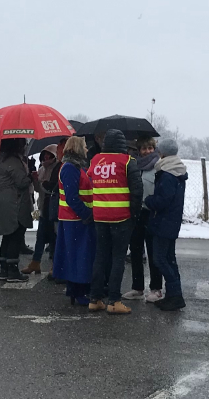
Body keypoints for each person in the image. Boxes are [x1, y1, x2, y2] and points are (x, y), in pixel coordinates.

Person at [88, 129, 143, 314]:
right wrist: (134, 214)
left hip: (100, 216)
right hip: (121, 217)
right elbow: (137, 191)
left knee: (100, 256)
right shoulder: (128, 161)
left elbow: (90, 181)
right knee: (118, 257)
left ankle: (95, 298)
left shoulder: (95, 161)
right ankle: (114, 300)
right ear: (122, 144)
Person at [146, 138, 188, 311]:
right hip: (171, 221)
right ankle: (173, 294)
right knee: (169, 259)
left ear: (162, 152)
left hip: (163, 222)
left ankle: (176, 294)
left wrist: (149, 200)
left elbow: (163, 200)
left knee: (160, 259)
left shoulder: (167, 173)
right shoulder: (177, 170)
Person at [54, 137, 95, 305]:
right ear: (78, 148)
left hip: (76, 218)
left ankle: (76, 290)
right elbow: (72, 197)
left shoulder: (75, 167)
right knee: (79, 256)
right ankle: (78, 291)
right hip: (75, 219)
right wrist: (86, 214)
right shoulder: (70, 168)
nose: (87, 149)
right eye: (85, 147)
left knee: (76, 255)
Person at [123, 138, 164, 302]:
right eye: (144, 148)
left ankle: (156, 288)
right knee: (135, 250)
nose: (147, 151)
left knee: (154, 252)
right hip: (136, 212)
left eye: (150, 148)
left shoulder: (158, 167)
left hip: (152, 212)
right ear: (138, 150)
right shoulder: (133, 166)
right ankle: (137, 287)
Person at [0, 139, 34, 282]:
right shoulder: (13, 161)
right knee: (15, 234)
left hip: (0, 201)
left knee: (7, 235)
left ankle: (4, 268)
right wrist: (31, 176)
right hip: (14, 202)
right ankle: (13, 270)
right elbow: (21, 182)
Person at [25, 145, 62, 276]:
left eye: (49, 156)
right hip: (43, 207)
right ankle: (36, 263)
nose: (46, 158)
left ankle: (53, 265)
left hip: (52, 207)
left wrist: (41, 182)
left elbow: (50, 189)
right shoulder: (42, 169)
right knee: (40, 237)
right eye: (44, 156)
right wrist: (36, 180)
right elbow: (38, 189)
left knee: (53, 237)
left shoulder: (58, 168)